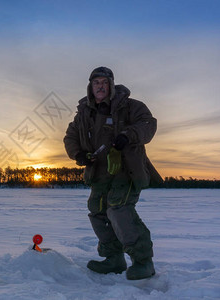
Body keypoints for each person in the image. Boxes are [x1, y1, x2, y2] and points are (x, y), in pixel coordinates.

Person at [63, 66, 162, 280]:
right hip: (98, 172)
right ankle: (114, 259)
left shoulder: (129, 106)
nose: (101, 86)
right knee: (97, 211)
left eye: (105, 82)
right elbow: (70, 137)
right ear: (91, 86)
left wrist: (129, 135)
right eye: (96, 82)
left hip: (126, 171)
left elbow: (148, 124)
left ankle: (143, 262)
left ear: (111, 85)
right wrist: (78, 154)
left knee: (118, 210)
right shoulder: (83, 113)